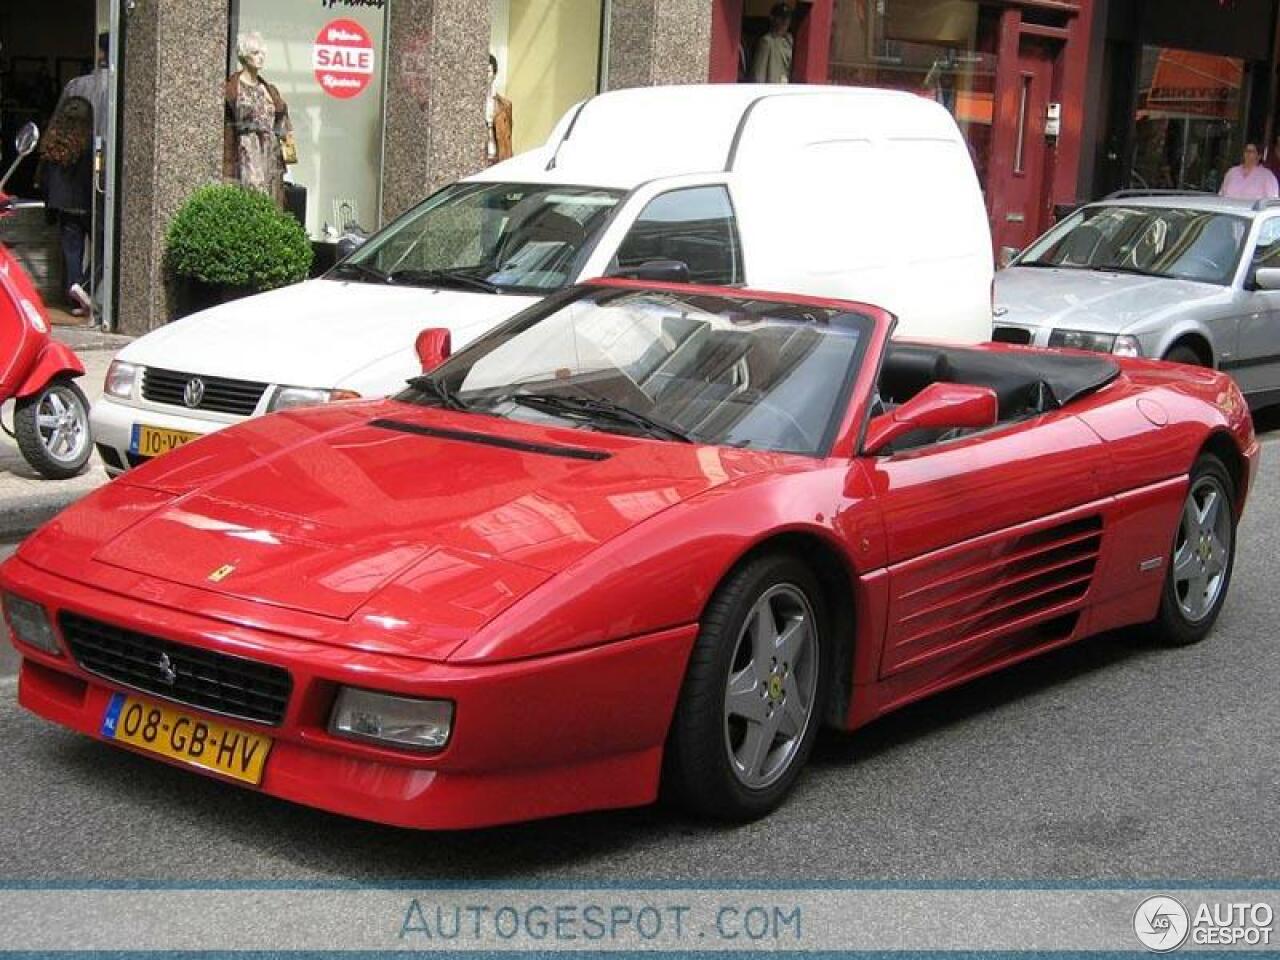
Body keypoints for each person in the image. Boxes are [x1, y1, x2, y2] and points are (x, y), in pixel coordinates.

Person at [34, 96, 94, 318]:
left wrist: (50, 209)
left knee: (72, 252)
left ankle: (75, 289)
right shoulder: (91, 143)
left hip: (64, 207)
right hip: (88, 205)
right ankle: (84, 287)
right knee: (103, 251)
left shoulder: (54, 144)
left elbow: (46, 181)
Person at [750, 3, 793, 84]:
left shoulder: (789, 42)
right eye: (781, 17)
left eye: (787, 18)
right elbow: (758, 74)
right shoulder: (766, 42)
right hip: (772, 88)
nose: (784, 21)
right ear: (773, 18)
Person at [485, 53, 513, 166]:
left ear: (494, 74)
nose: (485, 76)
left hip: (497, 160)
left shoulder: (505, 105)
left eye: (488, 72)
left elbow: (508, 139)